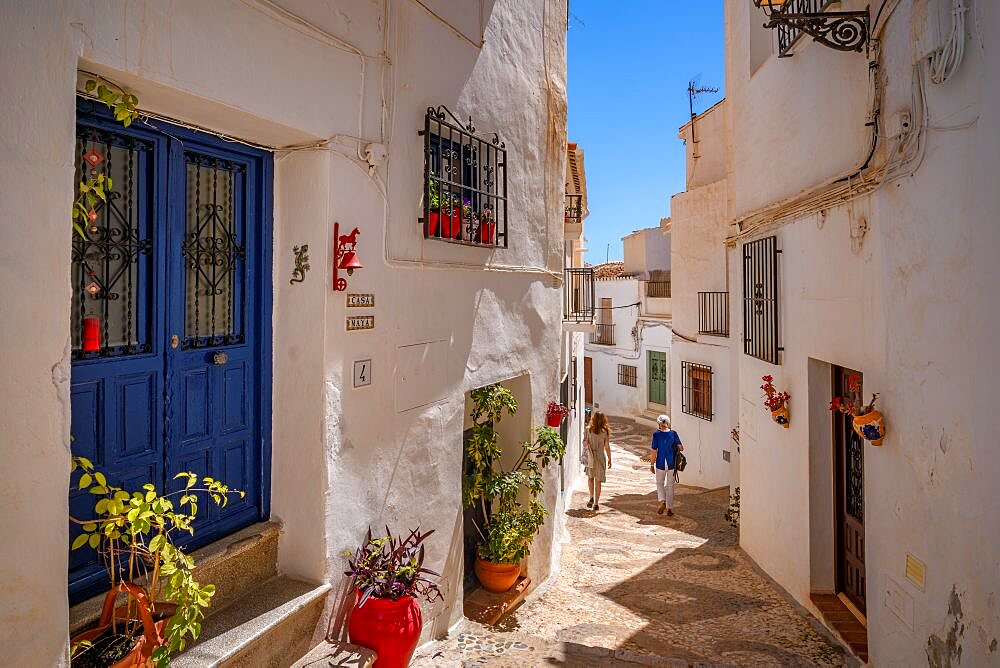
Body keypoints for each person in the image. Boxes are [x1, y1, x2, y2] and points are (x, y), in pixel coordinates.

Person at [649, 414, 683, 516]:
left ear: (659, 424)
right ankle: (669, 509)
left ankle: (662, 501)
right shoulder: (673, 433)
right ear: (668, 423)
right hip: (672, 463)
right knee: (670, 486)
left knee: (659, 483)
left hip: (660, 463)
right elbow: (681, 448)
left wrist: (651, 464)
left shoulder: (656, 434)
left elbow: (654, 451)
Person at [583, 411, 612, 511]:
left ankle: (591, 496)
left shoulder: (588, 429)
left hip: (591, 456)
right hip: (600, 457)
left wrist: (587, 444)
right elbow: (607, 447)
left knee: (590, 478)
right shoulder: (605, 432)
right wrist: (610, 459)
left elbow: (584, 443)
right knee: (598, 481)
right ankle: (596, 503)